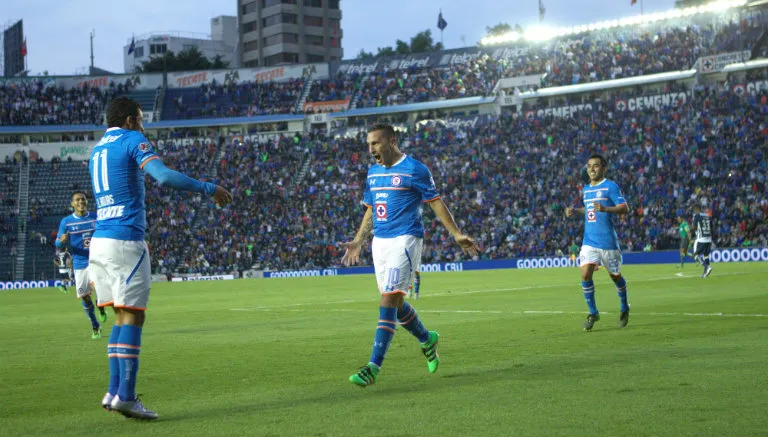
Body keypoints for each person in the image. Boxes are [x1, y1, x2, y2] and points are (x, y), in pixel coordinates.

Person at [90, 97, 232, 419]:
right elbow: (163, 176)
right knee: (134, 317)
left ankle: (114, 392)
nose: (143, 126)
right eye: (140, 120)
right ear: (128, 121)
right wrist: (209, 188)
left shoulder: (98, 148)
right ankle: (126, 395)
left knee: (120, 316)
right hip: (125, 240)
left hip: (100, 241)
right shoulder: (131, 139)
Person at [341, 124, 480, 387]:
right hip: (379, 243)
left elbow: (435, 201)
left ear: (392, 142)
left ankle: (372, 367)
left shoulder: (415, 169)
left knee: (388, 298)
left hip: (406, 239)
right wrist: (359, 240)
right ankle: (427, 339)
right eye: (369, 144)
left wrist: (456, 234)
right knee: (396, 303)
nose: (371, 149)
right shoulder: (373, 173)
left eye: (376, 143)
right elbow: (371, 208)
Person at [565, 153, 630, 332]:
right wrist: (574, 211)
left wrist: (606, 208)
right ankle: (593, 313)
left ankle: (624, 307)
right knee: (585, 274)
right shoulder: (586, 189)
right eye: (589, 166)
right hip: (589, 240)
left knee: (615, 277)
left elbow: (625, 207)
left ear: (604, 168)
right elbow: (589, 210)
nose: (592, 169)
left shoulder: (611, 186)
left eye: (596, 165)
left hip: (608, 242)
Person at [55, 191, 107, 339]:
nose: (81, 202)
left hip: (97, 260)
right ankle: (95, 324)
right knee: (84, 296)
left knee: (100, 290)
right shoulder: (66, 222)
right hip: (79, 264)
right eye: (77, 200)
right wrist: (62, 240)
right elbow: (58, 243)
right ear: (72, 204)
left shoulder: (96, 217)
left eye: (83, 199)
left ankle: (101, 307)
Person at [691, 204, 713, 278]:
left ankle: (707, 267)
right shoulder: (706, 215)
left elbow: (693, 227)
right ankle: (705, 273)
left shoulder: (696, 215)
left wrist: (692, 234)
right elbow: (711, 225)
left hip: (701, 238)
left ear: (696, 209)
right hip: (709, 238)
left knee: (695, 254)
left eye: (693, 210)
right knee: (706, 255)